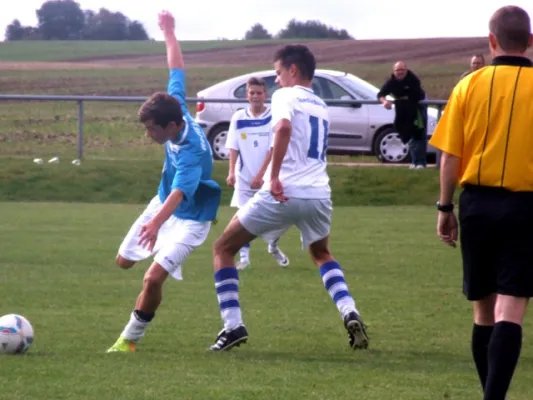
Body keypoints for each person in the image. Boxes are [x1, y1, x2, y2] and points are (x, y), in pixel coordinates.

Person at [208, 44, 369, 352]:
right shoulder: (321, 104)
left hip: (284, 192)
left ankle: (232, 326)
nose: (276, 82)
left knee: (223, 247)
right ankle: (349, 310)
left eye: (279, 73)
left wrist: (275, 175)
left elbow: (282, 127)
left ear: (293, 70)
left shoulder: (285, 96)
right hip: (319, 194)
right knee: (322, 254)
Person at [429, 6, 533, 400]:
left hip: (476, 205)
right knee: (512, 309)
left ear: (491, 42)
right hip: (526, 207)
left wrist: (445, 207)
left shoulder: (468, 86)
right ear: (530, 41)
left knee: (483, 309)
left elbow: (449, 156)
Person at [106, 10, 221, 353]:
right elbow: (176, 69)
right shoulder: (175, 108)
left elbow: (180, 192)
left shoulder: (190, 152)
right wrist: (169, 32)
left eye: (151, 129)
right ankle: (155, 255)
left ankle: (130, 340)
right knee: (123, 261)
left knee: (152, 277)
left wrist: (157, 224)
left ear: (170, 127)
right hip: (163, 204)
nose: (148, 134)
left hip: (191, 218)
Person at [226, 76, 290, 270]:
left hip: (268, 179)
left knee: (279, 217)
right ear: (247, 95)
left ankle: (273, 246)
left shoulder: (273, 116)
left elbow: (273, 149)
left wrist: (262, 175)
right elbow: (233, 147)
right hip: (244, 179)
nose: (255, 96)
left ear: (265, 95)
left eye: (259, 93)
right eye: (251, 93)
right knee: (243, 218)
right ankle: (244, 258)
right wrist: (231, 172)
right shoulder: (238, 117)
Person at [377, 62, 427, 169]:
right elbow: (380, 94)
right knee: (406, 133)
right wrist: (385, 101)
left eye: (402, 70)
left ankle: (421, 163)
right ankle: (414, 162)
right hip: (403, 108)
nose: (400, 72)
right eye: (397, 70)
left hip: (418, 106)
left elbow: (415, 95)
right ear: (394, 71)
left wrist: (401, 99)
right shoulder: (391, 82)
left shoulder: (413, 79)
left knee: (418, 133)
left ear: (406, 70)